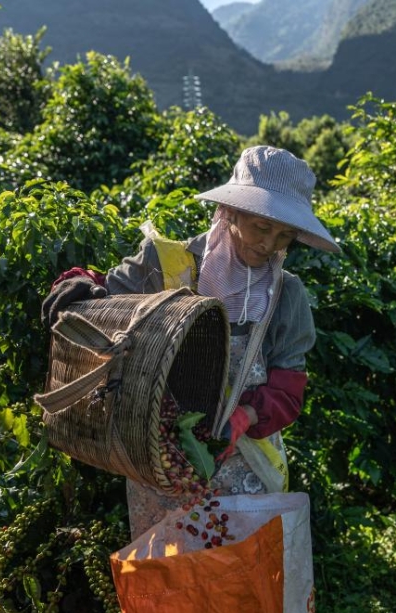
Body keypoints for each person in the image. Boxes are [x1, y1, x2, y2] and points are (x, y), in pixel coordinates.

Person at [41, 145, 340, 538]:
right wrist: (79, 286)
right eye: (261, 228)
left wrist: (244, 417)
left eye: (284, 235)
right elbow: (108, 298)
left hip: (247, 468)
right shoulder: (166, 263)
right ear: (231, 211)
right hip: (160, 461)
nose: (269, 245)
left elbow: (288, 388)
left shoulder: (286, 294)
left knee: (238, 582)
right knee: (171, 579)